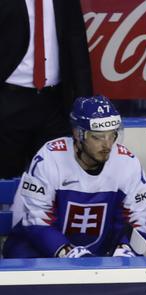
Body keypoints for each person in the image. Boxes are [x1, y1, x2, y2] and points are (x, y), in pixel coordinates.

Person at [2, 95, 146, 258]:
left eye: (111, 135)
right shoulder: (50, 158)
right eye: (97, 137)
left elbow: (136, 218)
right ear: (78, 134)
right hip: (42, 249)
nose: (107, 145)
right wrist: (66, 251)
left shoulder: (127, 163)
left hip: (98, 256)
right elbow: (37, 221)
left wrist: (125, 246)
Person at [1, 0, 93, 179]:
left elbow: (77, 42)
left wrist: (85, 104)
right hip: (9, 102)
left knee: (55, 177)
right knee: (6, 178)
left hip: (55, 103)